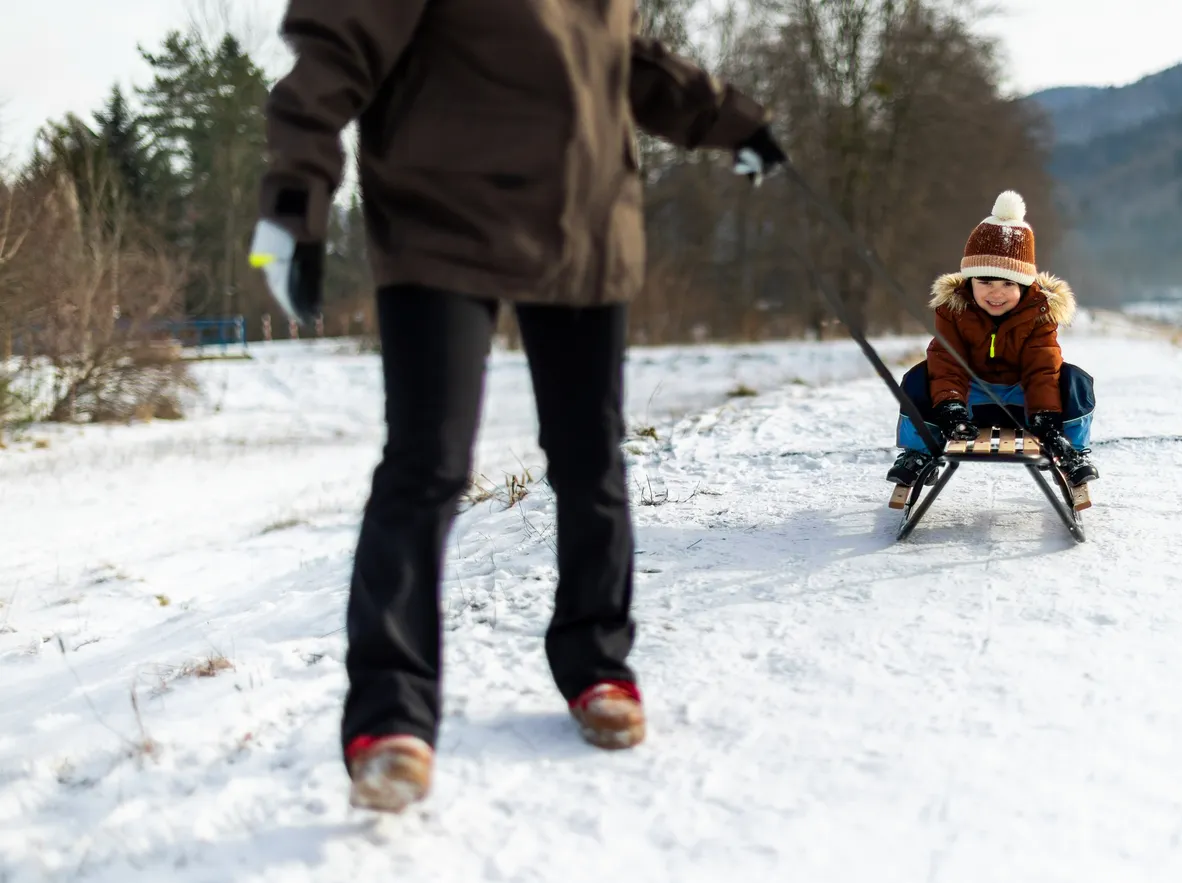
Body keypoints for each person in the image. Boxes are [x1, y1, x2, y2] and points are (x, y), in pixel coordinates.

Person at [248, 0, 787, 813]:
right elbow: (334, 48)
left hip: (584, 224)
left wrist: (733, 121)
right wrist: (292, 204)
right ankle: (390, 718)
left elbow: (615, 56)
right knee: (428, 463)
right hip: (442, 226)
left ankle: (598, 662)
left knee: (590, 455)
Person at [887, 190, 1098, 489]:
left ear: (1024, 287)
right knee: (918, 378)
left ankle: (1071, 450)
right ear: (969, 281)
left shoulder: (1039, 313)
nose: (995, 293)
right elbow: (946, 361)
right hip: (972, 402)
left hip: (1022, 402)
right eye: (985, 282)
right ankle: (918, 453)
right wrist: (951, 407)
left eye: (1007, 284)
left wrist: (1045, 416)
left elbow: (1042, 367)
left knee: (1074, 379)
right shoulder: (953, 310)